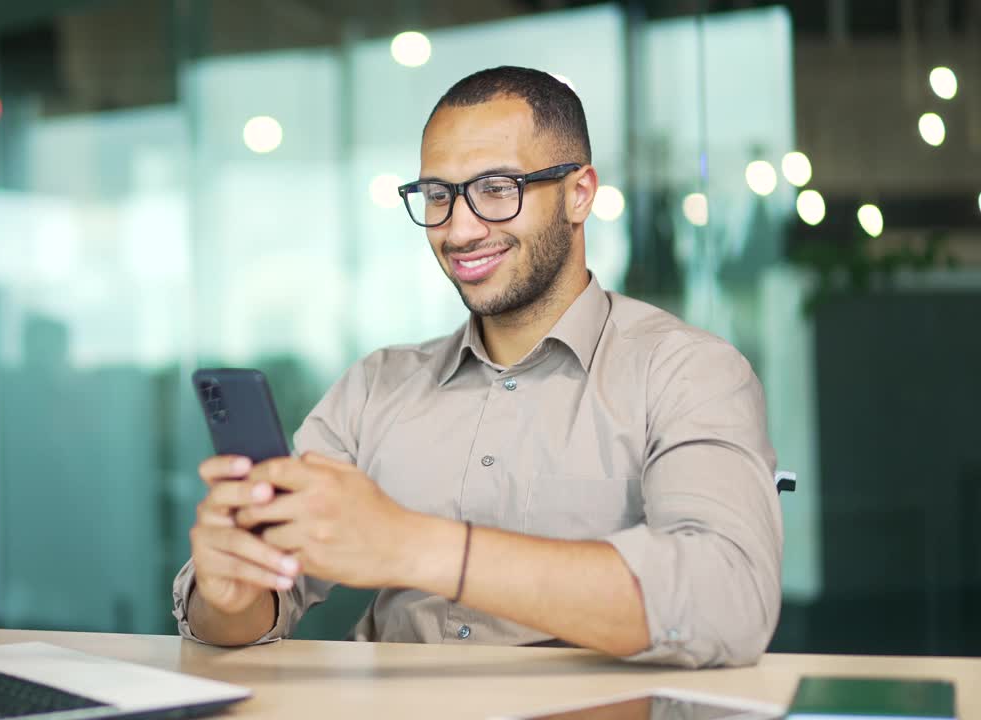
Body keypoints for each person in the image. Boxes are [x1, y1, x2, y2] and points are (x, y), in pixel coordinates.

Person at [171, 66, 782, 668]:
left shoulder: (688, 373)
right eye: (438, 195)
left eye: (496, 188)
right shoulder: (375, 387)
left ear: (579, 193)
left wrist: (414, 547)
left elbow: (729, 602)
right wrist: (230, 596)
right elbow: (247, 613)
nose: (459, 229)